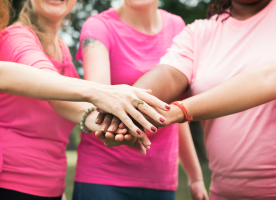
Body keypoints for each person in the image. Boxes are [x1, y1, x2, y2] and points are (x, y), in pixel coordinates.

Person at [0, 0, 169, 199]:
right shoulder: (14, 37)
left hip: (52, 187)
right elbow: (52, 89)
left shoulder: (62, 48)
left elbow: (75, 108)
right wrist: (102, 95)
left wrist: (111, 127)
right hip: (10, 185)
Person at [97, 0, 276, 199]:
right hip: (225, 192)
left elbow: (267, 79)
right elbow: (170, 75)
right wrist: (123, 112)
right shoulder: (200, 32)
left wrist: (180, 110)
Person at [73, 0, 208, 199]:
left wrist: (195, 177)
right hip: (102, 177)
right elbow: (99, 98)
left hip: (160, 178)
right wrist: (112, 131)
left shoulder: (177, 26)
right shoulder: (99, 27)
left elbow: (174, 112)